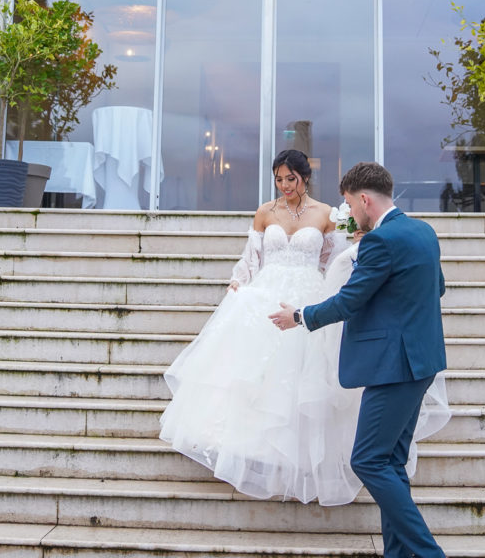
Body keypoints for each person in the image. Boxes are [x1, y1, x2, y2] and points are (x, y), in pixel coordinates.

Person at [160, 148, 449, 507]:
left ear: (304, 177)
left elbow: (335, 265)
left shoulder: (328, 214)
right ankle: (253, 453)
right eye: (279, 179)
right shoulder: (265, 212)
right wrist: (239, 284)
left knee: (304, 380)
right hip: (267, 292)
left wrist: (312, 307)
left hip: (307, 294)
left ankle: (300, 460)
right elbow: (252, 258)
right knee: (253, 375)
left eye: (290, 178)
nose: (285, 185)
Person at [270, 162, 458, 558]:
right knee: (390, 463)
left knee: (368, 460)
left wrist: (299, 315)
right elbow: (437, 288)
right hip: (420, 361)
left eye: (353, 203)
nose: (352, 210)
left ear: (366, 199)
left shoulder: (380, 241)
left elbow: (351, 300)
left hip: (394, 366)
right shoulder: (422, 231)